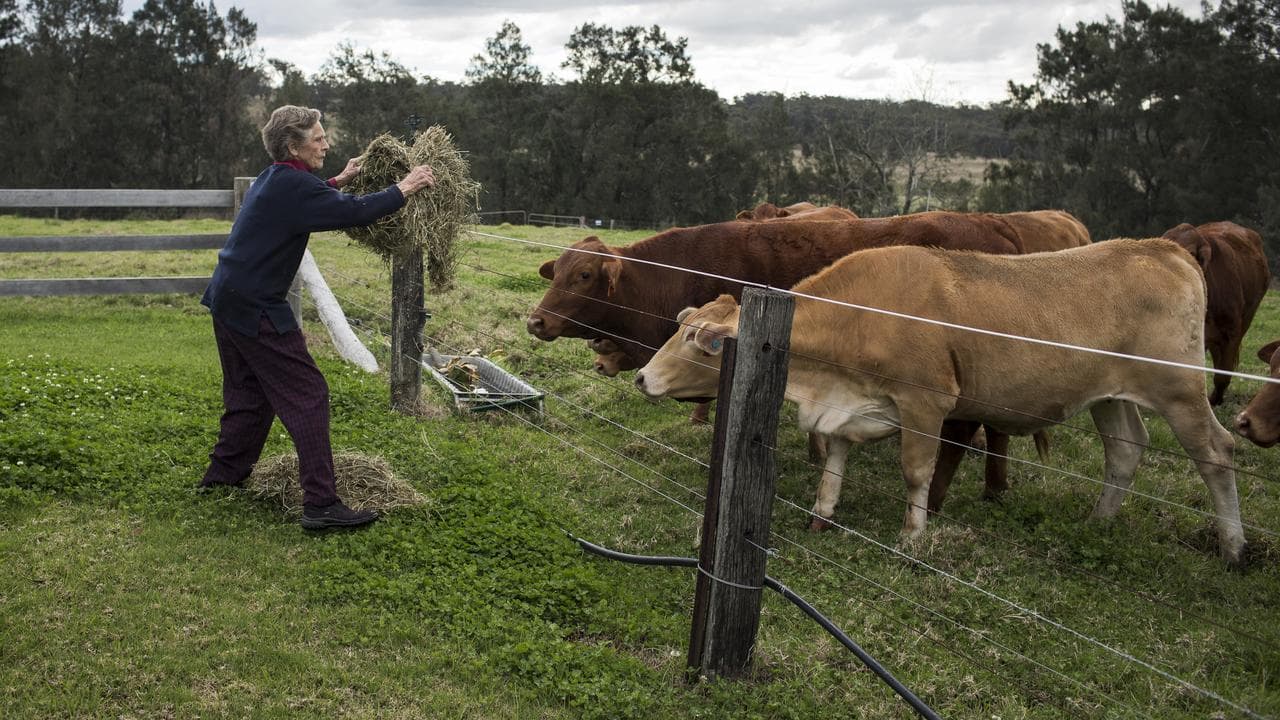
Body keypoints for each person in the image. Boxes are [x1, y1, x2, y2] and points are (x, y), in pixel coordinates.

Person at [198, 105, 435, 529]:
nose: (326, 143)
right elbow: (355, 212)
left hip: (228, 298)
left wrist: (336, 181)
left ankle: (222, 478)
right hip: (255, 306)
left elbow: (307, 201)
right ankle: (321, 504)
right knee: (309, 394)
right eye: (318, 138)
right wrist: (406, 185)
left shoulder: (277, 177)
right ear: (294, 145)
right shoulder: (291, 185)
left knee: (249, 394)